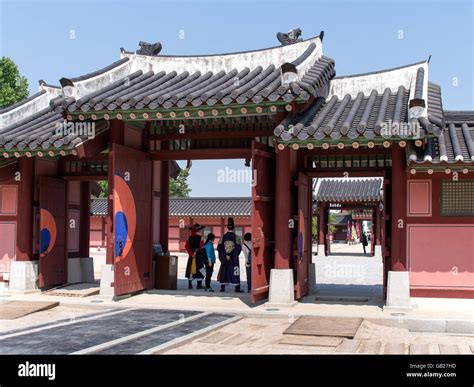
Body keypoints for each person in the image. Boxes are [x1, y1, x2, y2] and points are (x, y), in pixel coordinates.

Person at [217, 217, 243, 293]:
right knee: (235, 271)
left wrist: (225, 256)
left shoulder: (223, 237)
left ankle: (222, 288)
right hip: (233, 258)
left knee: (224, 271)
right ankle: (237, 288)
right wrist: (232, 255)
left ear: (227, 227)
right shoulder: (237, 237)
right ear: (234, 227)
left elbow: (219, 248)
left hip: (224, 257)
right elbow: (238, 248)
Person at [185, 224, 207, 289]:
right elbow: (201, 247)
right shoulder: (201, 238)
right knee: (199, 268)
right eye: (200, 230)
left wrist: (191, 253)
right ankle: (199, 285)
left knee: (191, 269)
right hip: (198, 255)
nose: (201, 231)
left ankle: (190, 284)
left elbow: (186, 246)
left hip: (192, 256)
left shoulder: (189, 238)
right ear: (198, 231)